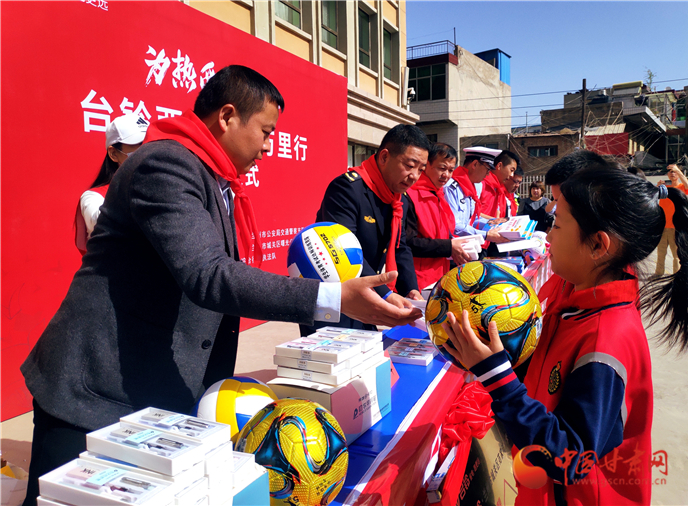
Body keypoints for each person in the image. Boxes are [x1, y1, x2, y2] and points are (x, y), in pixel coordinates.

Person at [20, 65, 421, 506]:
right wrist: (331, 297)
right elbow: (208, 275)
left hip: (149, 389)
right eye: (266, 131)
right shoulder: (165, 164)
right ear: (228, 116)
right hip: (94, 389)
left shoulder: (214, 178)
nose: (270, 146)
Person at [441, 166, 688, 505]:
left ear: (597, 245)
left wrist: (496, 376)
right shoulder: (578, 304)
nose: (547, 235)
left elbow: (570, 458)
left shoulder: (604, 339)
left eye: (558, 224)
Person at [300, 124, 428, 335]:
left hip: (367, 295)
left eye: (421, 169)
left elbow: (400, 247)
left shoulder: (399, 200)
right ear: (385, 157)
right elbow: (342, 252)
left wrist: (411, 290)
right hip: (334, 297)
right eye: (409, 165)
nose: (414, 175)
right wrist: (386, 294)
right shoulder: (347, 189)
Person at [405, 142, 481, 291]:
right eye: (442, 168)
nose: (446, 175)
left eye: (451, 170)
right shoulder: (410, 195)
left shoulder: (439, 194)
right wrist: (448, 247)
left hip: (440, 275)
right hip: (418, 280)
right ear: (427, 165)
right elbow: (407, 243)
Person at [74, 113, 149, 254]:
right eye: (137, 149)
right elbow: (102, 222)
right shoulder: (92, 197)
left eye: (149, 146)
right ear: (114, 154)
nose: (146, 155)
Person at [443, 147, 508, 246]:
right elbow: (455, 226)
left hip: (466, 246)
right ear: (475, 164)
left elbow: (471, 220)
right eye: (487, 169)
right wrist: (485, 235)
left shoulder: (469, 188)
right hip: (453, 248)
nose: (488, 174)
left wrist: (493, 221)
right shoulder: (451, 188)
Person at [655, 164, 688, 275]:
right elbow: (653, 197)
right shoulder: (664, 188)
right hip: (662, 226)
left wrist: (678, 170)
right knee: (661, 253)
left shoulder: (681, 187)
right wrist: (657, 187)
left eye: (674, 172)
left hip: (676, 227)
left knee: (676, 254)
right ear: (667, 174)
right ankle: (658, 273)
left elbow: (687, 185)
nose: (672, 173)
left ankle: (677, 274)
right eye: (670, 171)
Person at [479, 150, 520, 219]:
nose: (512, 175)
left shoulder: (498, 188)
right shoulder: (481, 183)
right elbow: (472, 214)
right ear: (499, 166)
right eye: (511, 170)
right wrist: (495, 221)